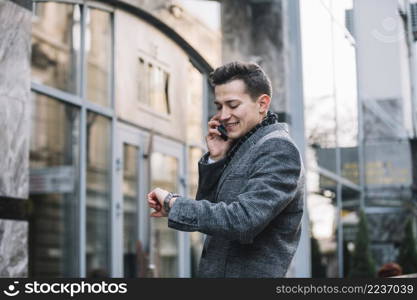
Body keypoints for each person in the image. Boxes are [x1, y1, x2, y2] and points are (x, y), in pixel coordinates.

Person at [147, 61, 304, 278]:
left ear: (262, 103)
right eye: (219, 106)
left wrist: (174, 204)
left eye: (232, 105)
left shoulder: (278, 148)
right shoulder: (241, 146)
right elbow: (212, 214)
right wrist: (217, 158)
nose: (222, 115)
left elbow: (243, 221)